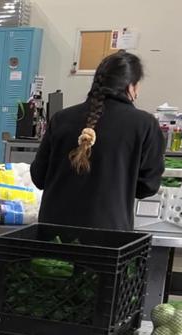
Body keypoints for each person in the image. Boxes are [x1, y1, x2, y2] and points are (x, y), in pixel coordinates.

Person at [31, 51, 165, 230]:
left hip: (53, 232)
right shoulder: (144, 124)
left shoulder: (61, 119)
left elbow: (39, 177)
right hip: (108, 235)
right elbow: (147, 187)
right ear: (131, 87)